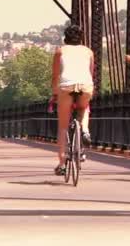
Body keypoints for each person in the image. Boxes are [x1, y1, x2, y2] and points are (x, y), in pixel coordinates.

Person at [51, 25, 94, 176]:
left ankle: (62, 163)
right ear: (81, 38)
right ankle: (85, 131)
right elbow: (91, 72)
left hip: (66, 86)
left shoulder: (60, 51)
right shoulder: (88, 51)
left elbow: (55, 75)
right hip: (85, 85)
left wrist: (54, 93)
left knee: (63, 127)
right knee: (84, 108)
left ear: (65, 38)